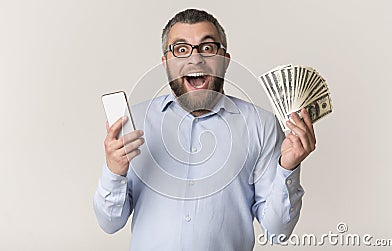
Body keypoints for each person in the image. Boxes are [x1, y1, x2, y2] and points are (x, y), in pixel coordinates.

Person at [94, 9, 316, 251]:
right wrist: (114, 171)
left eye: (207, 48)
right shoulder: (135, 121)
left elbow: (277, 233)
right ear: (166, 63)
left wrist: (288, 168)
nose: (195, 59)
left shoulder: (261, 125)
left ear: (225, 60)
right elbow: (110, 223)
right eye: (181, 49)